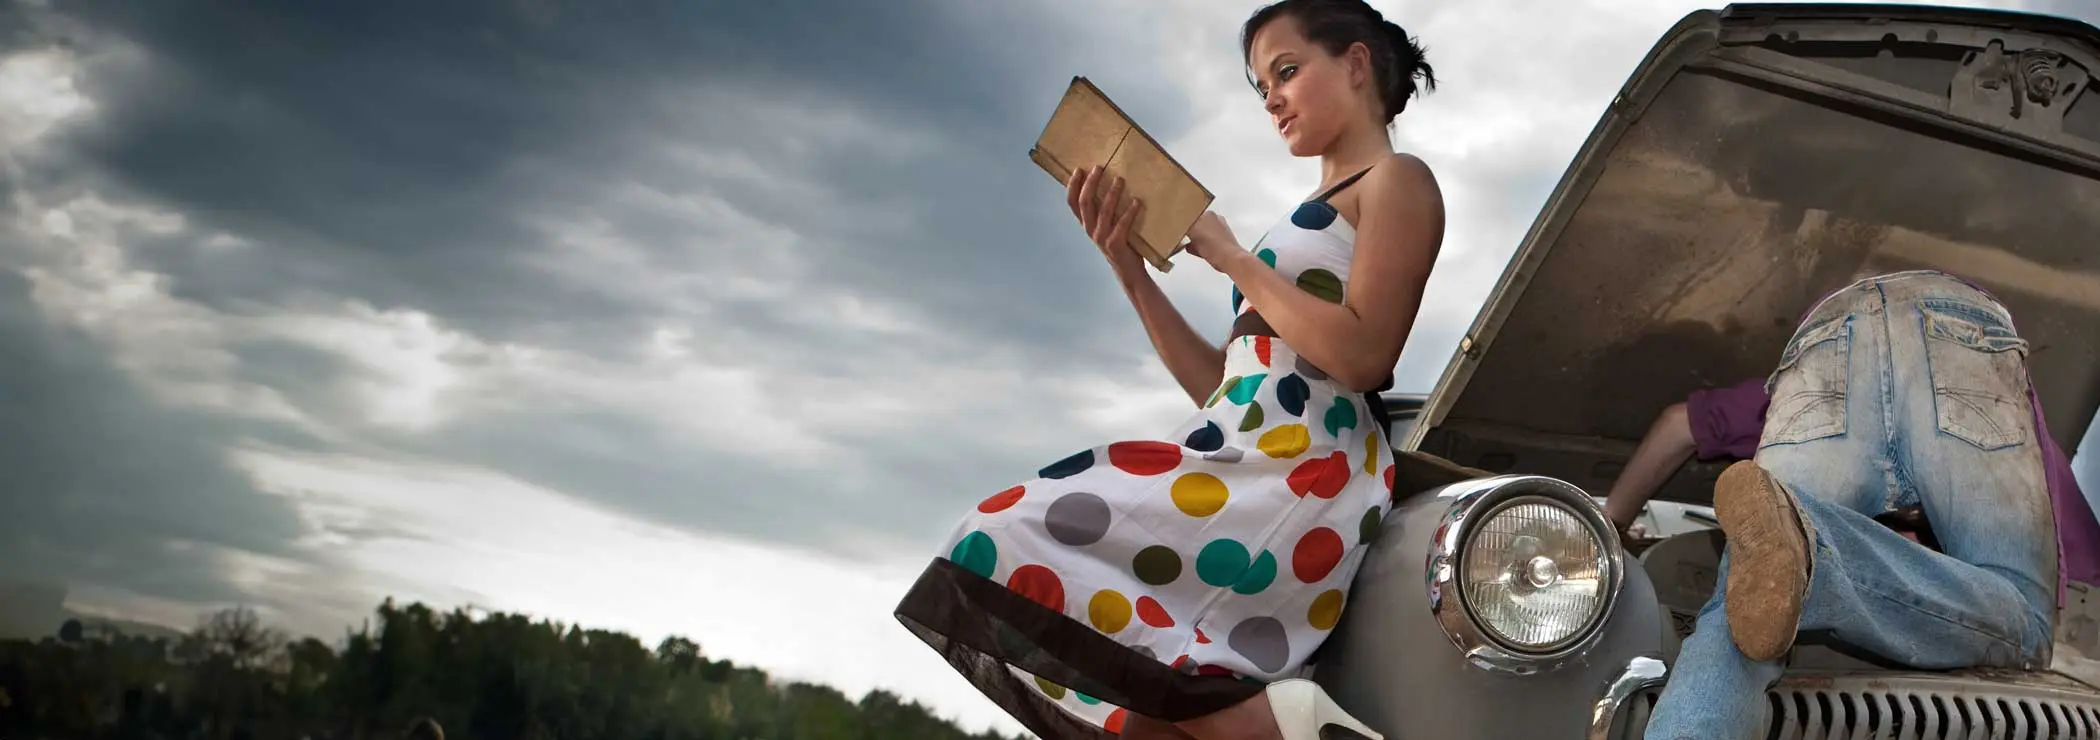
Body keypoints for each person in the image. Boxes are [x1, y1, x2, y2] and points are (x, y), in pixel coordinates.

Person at [893, 1, 1444, 738]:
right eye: (1260, 87)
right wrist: (1130, 271)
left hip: (1303, 464)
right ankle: (1281, 722)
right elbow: (1225, 385)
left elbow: (1365, 355)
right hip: (1245, 443)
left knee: (1008, 533)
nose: (1272, 98)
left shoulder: (1397, 180)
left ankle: (1278, 722)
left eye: (1286, 71)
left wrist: (1233, 258)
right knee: (1135, 707)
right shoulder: (1304, 214)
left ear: (1353, 64)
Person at [1642, 270, 2100, 739]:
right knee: (2023, 616)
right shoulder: (2049, 462)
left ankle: (1805, 542)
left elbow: (1679, 423)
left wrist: (1614, 522)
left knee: (1733, 611)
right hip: (1961, 327)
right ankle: (1809, 545)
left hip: (1824, 334)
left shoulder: (1761, 400)